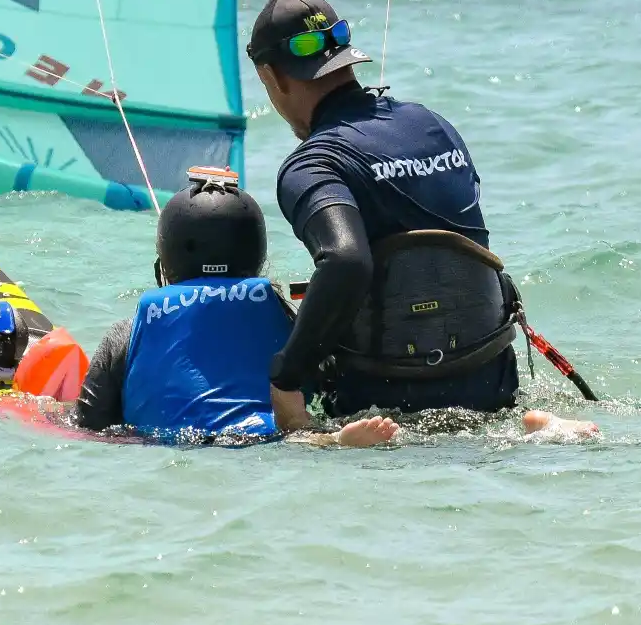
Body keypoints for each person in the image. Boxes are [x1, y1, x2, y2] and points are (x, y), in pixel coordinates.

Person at [246, 0, 597, 439]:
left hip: (380, 399)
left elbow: (346, 261)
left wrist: (287, 377)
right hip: (489, 379)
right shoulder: (433, 126)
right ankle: (532, 423)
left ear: (271, 76)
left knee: (301, 440)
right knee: (488, 428)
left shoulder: (314, 163)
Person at [74, 167, 401, 448]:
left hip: (170, 441)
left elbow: (90, 422)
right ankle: (326, 440)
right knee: (298, 435)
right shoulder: (287, 320)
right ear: (256, 256)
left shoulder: (125, 334)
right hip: (268, 435)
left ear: (165, 262)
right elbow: (324, 387)